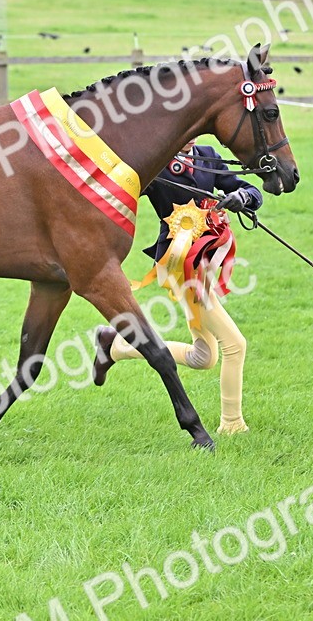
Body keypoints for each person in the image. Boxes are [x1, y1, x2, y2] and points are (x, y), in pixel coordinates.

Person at [91, 139, 263, 435]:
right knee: (235, 345)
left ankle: (117, 346)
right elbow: (121, 190)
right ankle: (232, 425)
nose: (191, 137)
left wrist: (242, 197)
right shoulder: (156, 161)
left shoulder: (207, 156)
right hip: (179, 265)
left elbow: (245, 187)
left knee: (203, 357)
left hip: (205, 261)